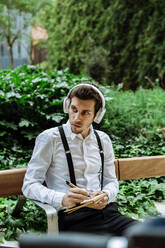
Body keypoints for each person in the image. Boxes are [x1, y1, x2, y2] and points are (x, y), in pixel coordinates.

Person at [22, 83, 137, 235]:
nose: (77, 118)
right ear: (67, 107)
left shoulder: (103, 140)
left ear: (97, 115)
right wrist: (62, 198)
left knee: (152, 236)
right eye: (74, 109)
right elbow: (29, 185)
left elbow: (111, 181)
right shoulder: (50, 138)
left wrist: (106, 195)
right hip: (74, 219)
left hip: (109, 214)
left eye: (85, 113)